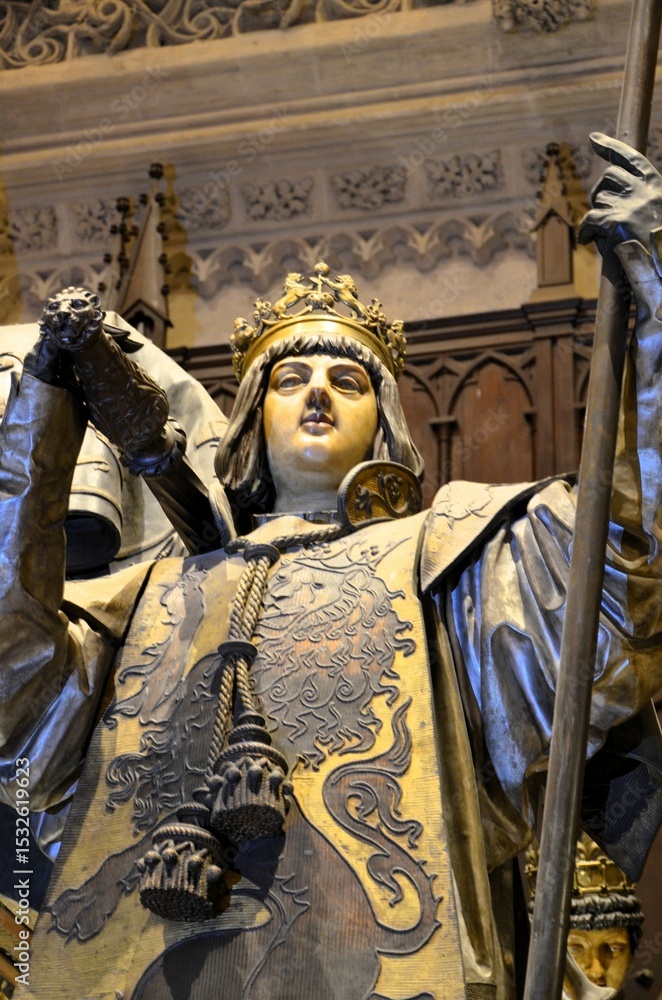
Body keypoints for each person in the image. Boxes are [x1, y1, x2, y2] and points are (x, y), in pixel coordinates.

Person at [0, 132, 661, 1000]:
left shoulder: (459, 555)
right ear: (249, 420)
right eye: (291, 377)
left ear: (385, 421)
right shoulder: (150, 591)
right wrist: (38, 419)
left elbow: (629, 557)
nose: (317, 391)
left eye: (347, 380)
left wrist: (652, 292)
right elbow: (16, 694)